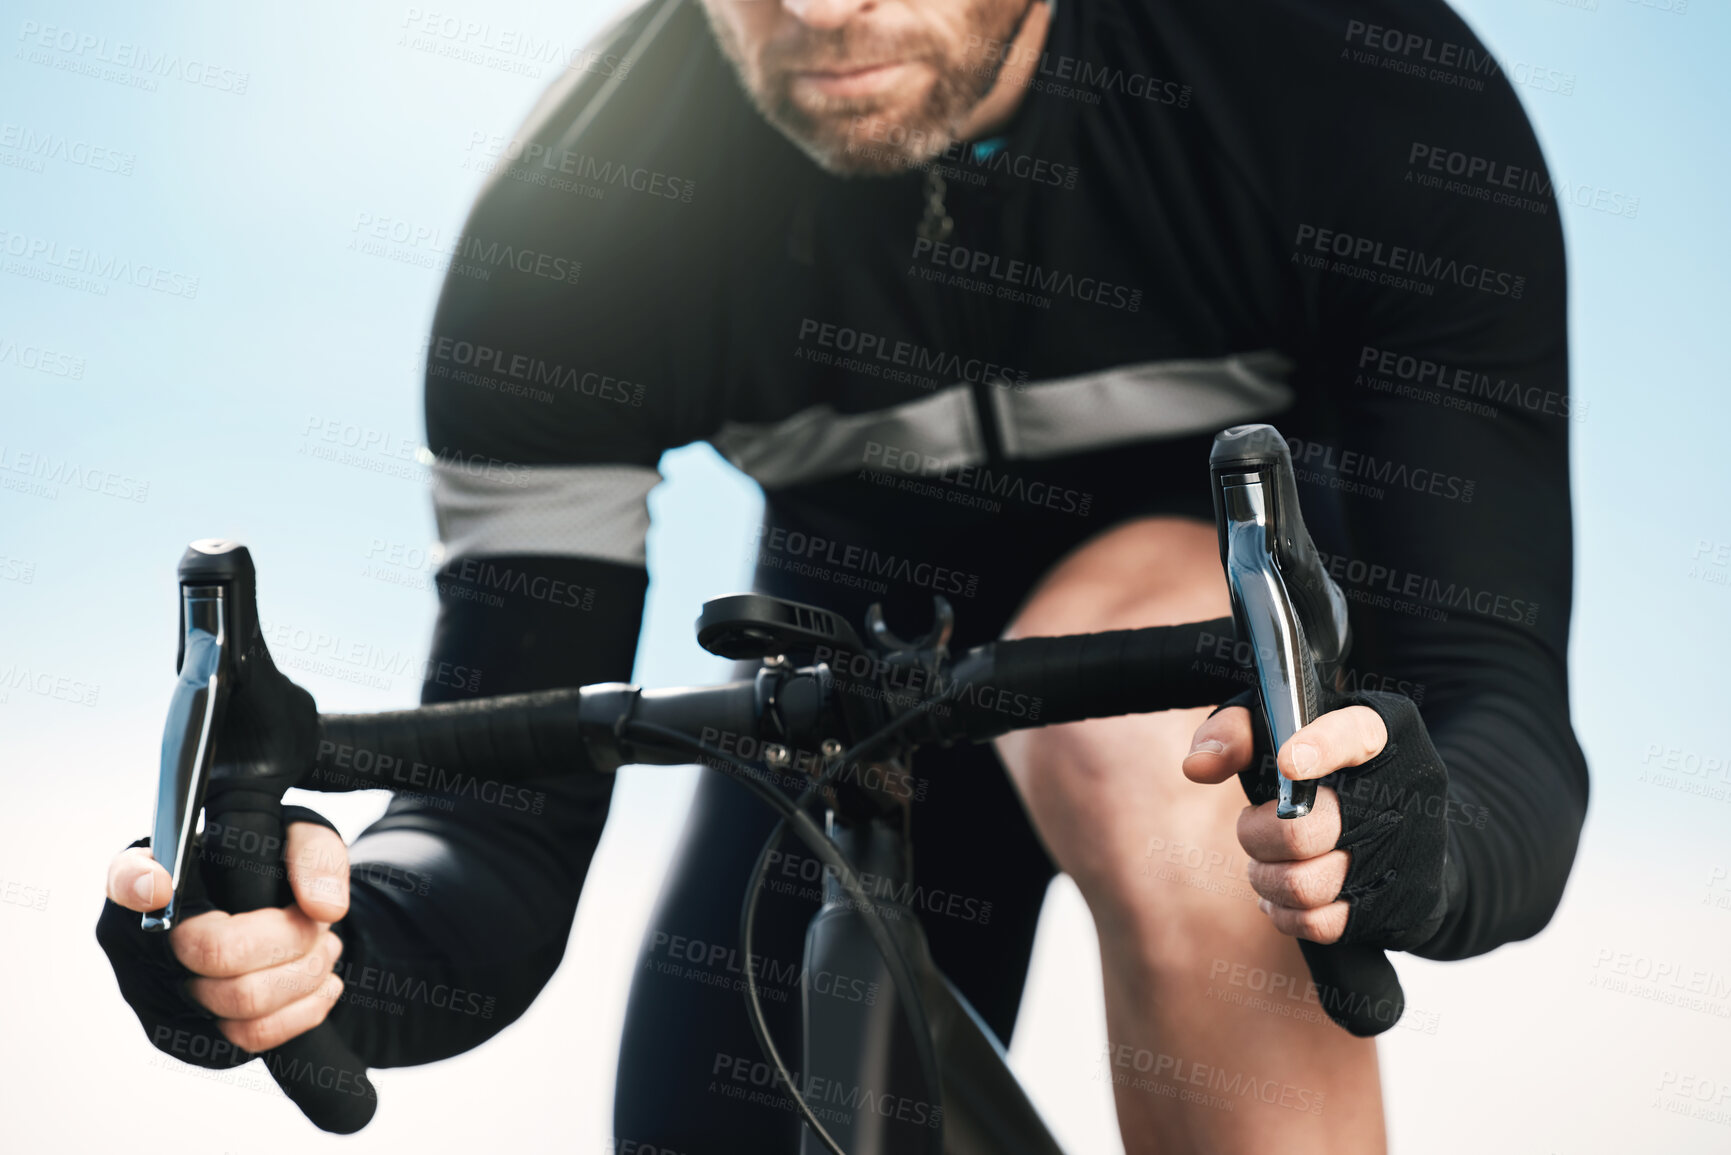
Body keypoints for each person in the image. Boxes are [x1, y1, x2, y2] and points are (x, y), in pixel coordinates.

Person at [99, 0, 1589, 1149]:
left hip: (1190, 642)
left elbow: (1492, 702)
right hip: (855, 669)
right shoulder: (570, 231)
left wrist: (1424, 843)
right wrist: (312, 942)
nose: (819, 10)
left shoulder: (1356, 88)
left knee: (1163, 747)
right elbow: (490, 826)